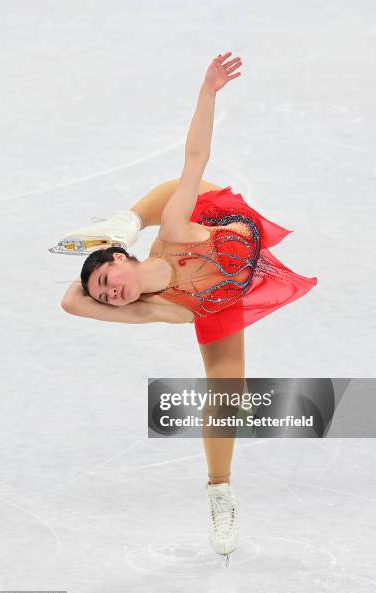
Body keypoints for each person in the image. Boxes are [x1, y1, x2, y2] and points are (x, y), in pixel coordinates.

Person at [57, 52, 317, 562]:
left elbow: (195, 154)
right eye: (107, 295)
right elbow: (71, 302)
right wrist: (96, 284)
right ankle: (220, 491)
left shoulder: (175, 230)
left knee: (183, 190)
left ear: (119, 256)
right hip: (220, 299)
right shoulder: (155, 309)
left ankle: (127, 219)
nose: (113, 293)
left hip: (222, 221)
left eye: (109, 278)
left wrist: (209, 89)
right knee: (227, 396)